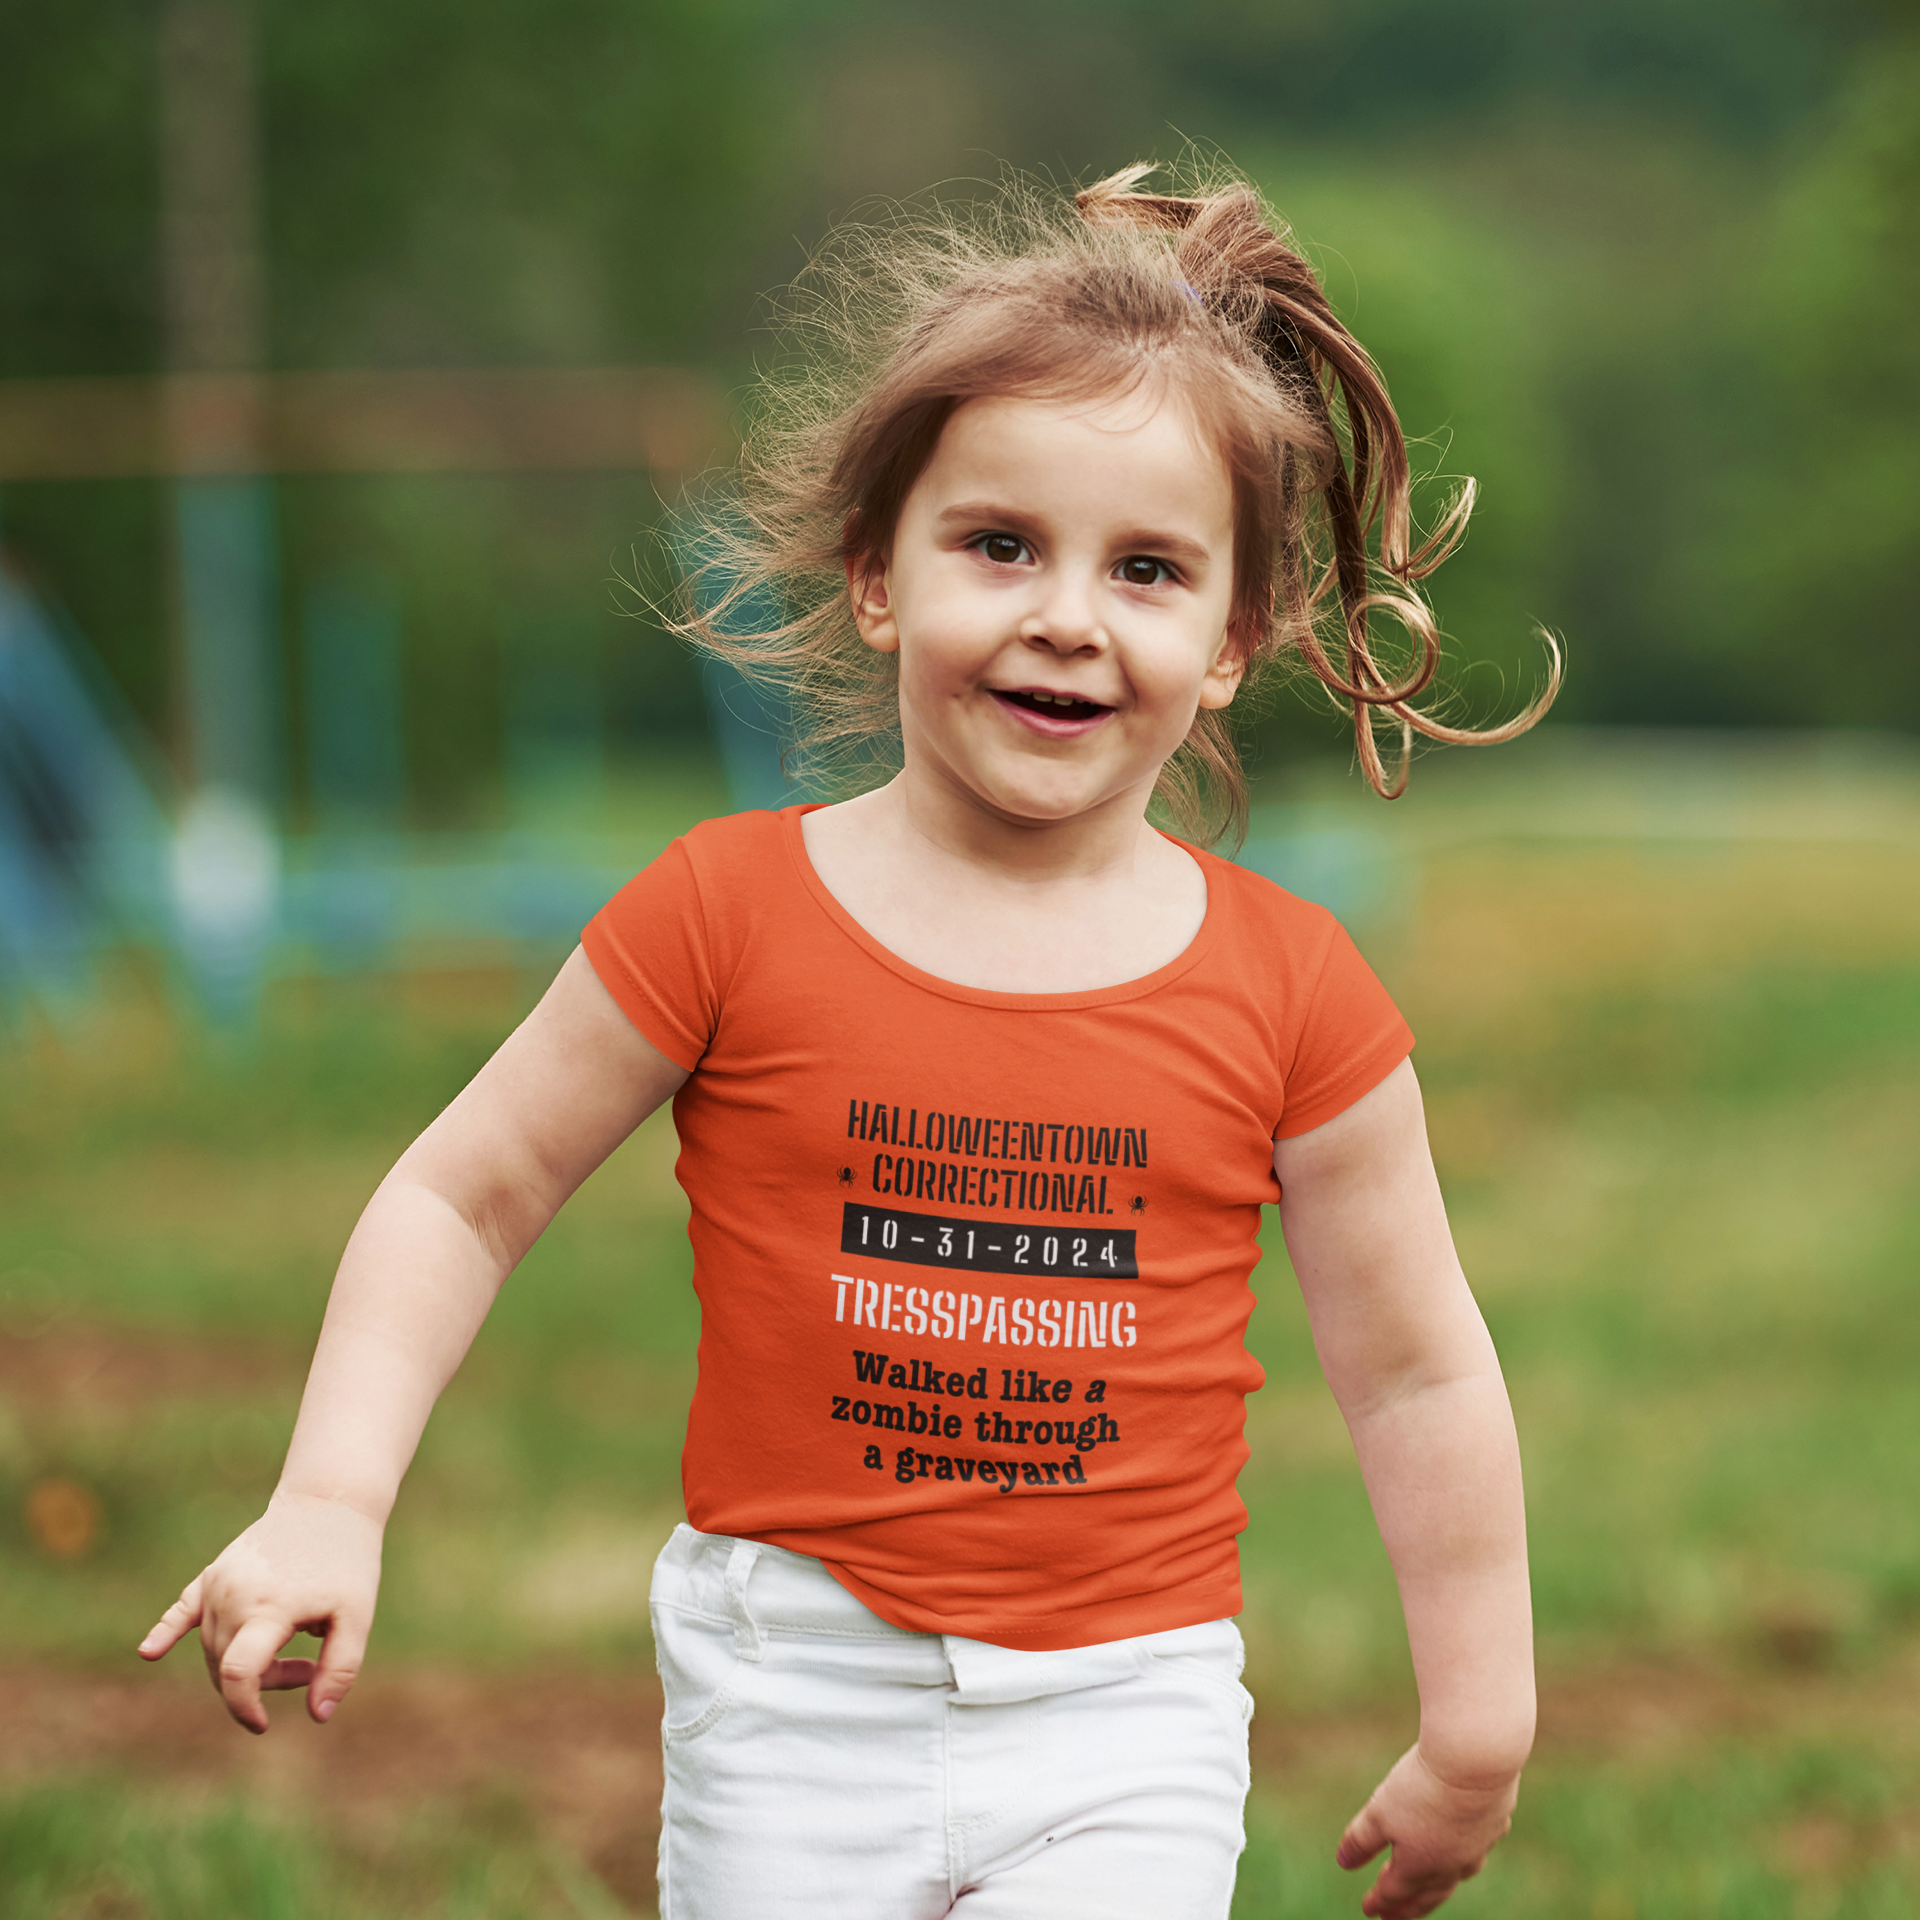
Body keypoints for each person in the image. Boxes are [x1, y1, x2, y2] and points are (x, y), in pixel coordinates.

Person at [141, 163, 1557, 1920]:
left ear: (1228, 642)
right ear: (878, 576)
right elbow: (467, 1194)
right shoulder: (722, 913)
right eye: (998, 545)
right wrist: (329, 1499)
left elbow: (1418, 1368)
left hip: (1126, 1716)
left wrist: (1477, 1719)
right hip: (786, 1701)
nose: (1066, 614)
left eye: (1147, 569)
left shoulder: (1297, 991)